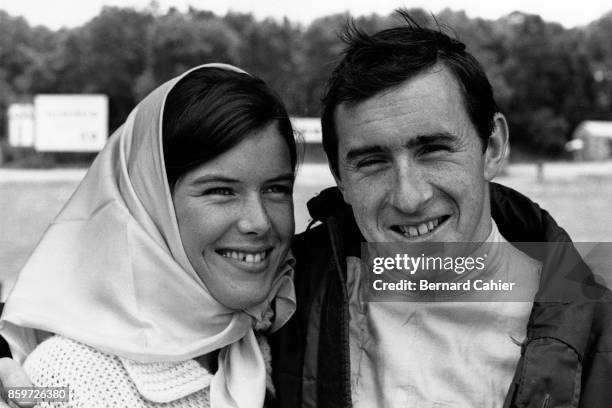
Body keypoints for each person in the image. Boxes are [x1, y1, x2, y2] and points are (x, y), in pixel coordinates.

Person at [269, 12, 612, 408]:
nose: (409, 198)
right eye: (372, 161)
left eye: (433, 150)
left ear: (494, 147)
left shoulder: (597, 331)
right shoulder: (282, 302)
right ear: (340, 178)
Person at [0, 63, 299, 407]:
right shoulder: (64, 379)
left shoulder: (294, 299)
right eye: (221, 191)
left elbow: (375, 293)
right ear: (150, 204)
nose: (258, 222)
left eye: (277, 189)